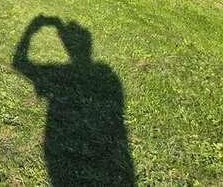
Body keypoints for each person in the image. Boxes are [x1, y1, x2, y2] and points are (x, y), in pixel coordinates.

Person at [12, 15, 136, 186]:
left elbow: (20, 63)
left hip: (63, 155)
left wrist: (31, 31)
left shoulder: (97, 73)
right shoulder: (105, 74)